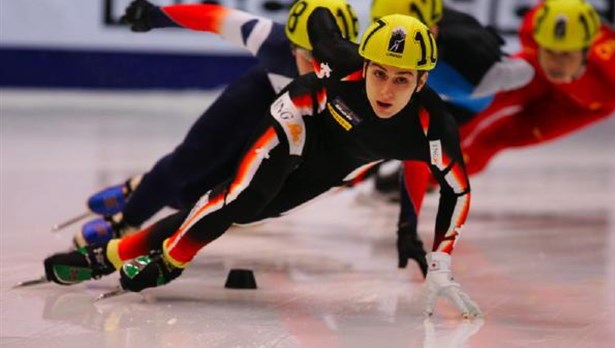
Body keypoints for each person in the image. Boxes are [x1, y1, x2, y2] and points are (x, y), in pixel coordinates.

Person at [45, 11, 482, 318]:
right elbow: (319, 26)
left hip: (333, 165)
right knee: (243, 194)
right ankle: (169, 261)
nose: (386, 90)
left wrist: (440, 259)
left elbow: (456, 190)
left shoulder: (433, 126)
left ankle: (114, 254)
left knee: (251, 212)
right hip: (299, 117)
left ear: (422, 81)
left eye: (402, 79)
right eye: (379, 73)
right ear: (364, 64)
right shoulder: (341, 62)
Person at [72, 0, 359, 248]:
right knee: (189, 160)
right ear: (292, 48)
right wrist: (155, 16)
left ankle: (143, 187)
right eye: (310, 58)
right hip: (260, 96)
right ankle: (126, 221)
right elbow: (215, 19)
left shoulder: (361, 71)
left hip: (295, 116)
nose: (320, 69)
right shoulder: (270, 41)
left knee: (209, 193)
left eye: (329, 59)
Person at [364, 0, 534, 275]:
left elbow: (524, 72)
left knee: (431, 153)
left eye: (412, 39)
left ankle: (390, 182)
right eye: (392, 37)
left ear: (434, 30)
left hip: (467, 101)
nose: (397, 52)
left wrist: (409, 224)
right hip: (445, 87)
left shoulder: (475, 65)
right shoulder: (385, 44)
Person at [458, 0, 615, 175]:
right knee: (468, 109)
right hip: (536, 74)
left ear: (587, 51)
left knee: (494, 138)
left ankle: (438, 180)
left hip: (578, 106)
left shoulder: (613, 68)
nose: (556, 64)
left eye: (566, 54)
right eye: (549, 51)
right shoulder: (533, 24)